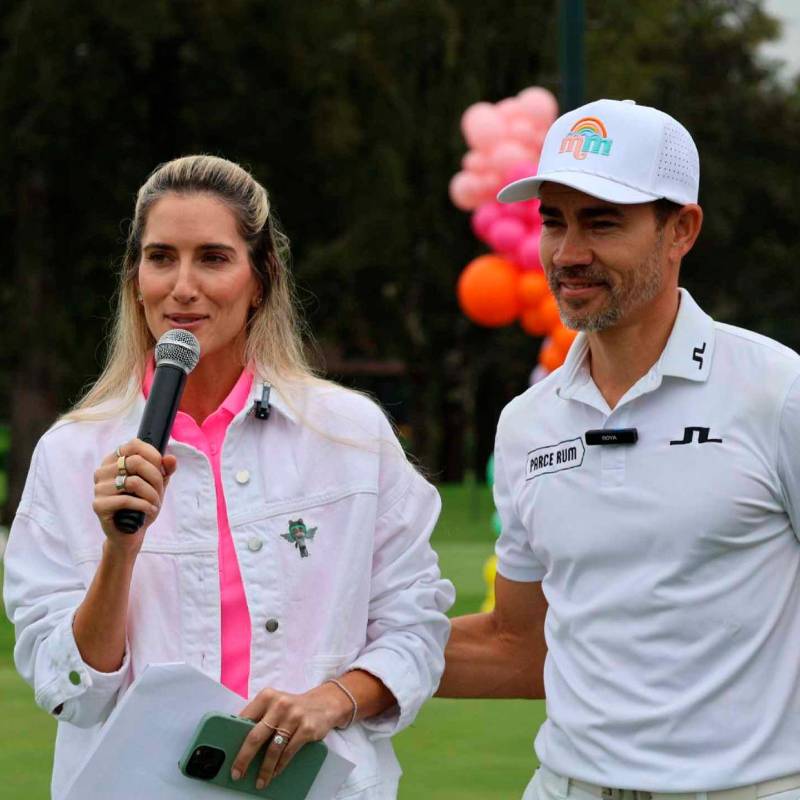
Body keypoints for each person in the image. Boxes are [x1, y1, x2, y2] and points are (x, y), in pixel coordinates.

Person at [3, 155, 454, 799]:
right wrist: (118, 551)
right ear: (135, 280)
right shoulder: (71, 453)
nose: (183, 286)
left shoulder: (350, 434)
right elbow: (68, 690)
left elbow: (415, 626)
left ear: (261, 278)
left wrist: (330, 701)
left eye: (212, 258)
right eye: (161, 258)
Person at [437, 98, 800, 798]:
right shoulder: (526, 422)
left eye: (603, 221)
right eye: (554, 221)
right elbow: (520, 647)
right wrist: (327, 663)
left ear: (681, 230)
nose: (569, 253)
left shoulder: (777, 391)